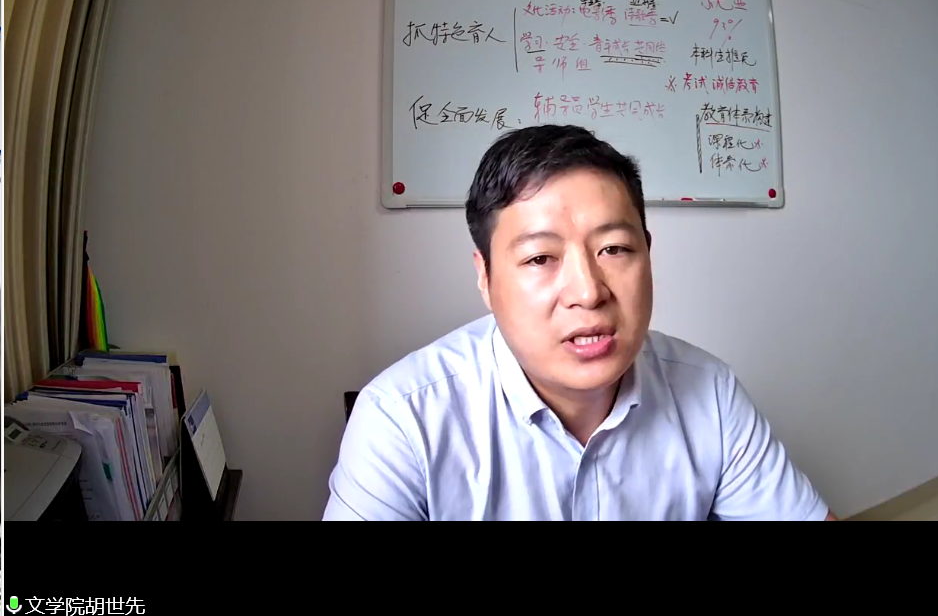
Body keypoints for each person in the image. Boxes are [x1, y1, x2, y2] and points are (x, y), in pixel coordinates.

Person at [323, 124, 834, 521]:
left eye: (614, 249)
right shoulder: (401, 420)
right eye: (540, 258)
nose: (589, 292)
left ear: (647, 253)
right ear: (486, 276)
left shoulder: (710, 393)